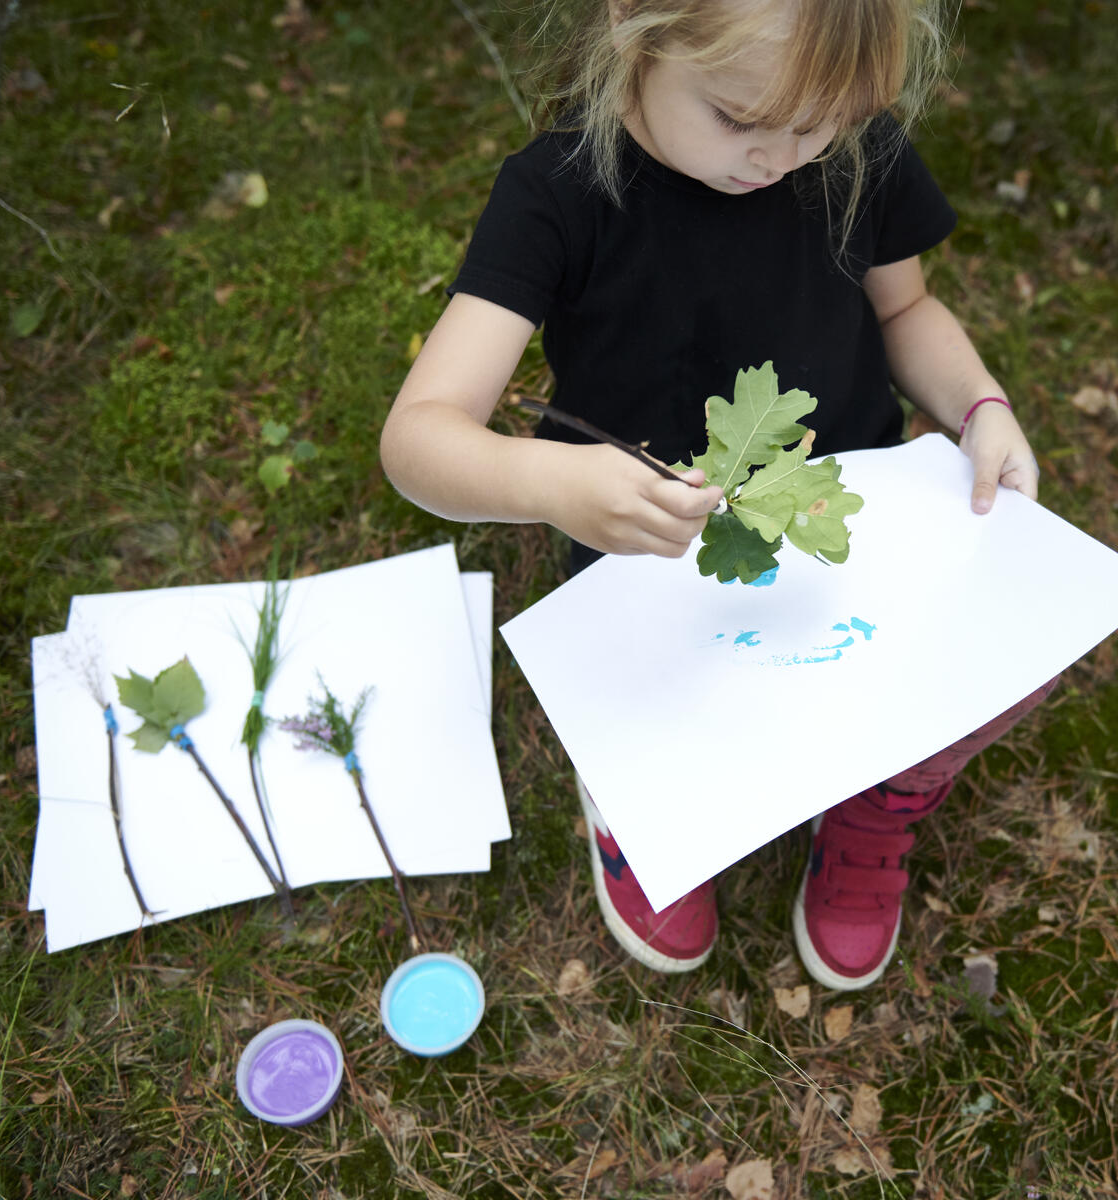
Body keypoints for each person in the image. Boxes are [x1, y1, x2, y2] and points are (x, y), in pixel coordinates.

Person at [381, 0, 1054, 991]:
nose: (778, 158)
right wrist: (555, 484)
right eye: (739, 119)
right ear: (636, 25)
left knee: (1007, 648)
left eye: (819, 125)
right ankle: (639, 791)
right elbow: (418, 437)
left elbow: (905, 306)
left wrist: (980, 406)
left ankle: (877, 800)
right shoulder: (559, 192)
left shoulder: (853, 148)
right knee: (669, 705)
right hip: (648, 558)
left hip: (838, 524)